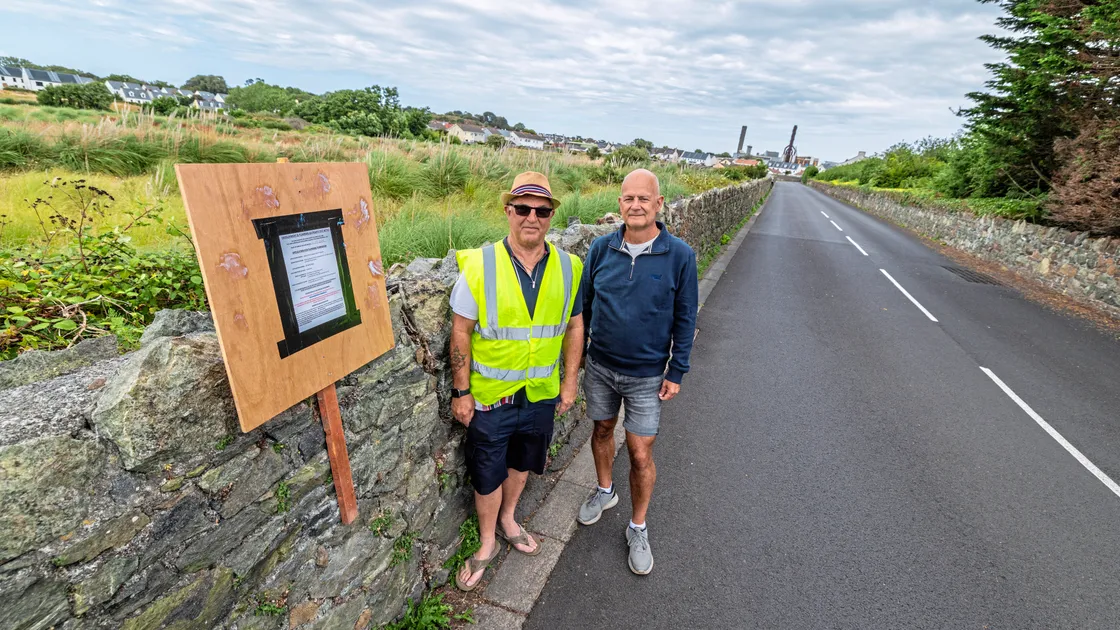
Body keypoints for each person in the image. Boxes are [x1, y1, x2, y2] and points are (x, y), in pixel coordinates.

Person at [449, 171, 585, 591]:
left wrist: (570, 382)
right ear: (508, 211)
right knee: (488, 471)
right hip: (490, 396)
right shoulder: (480, 264)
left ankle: (509, 521)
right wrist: (461, 390)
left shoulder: (568, 266)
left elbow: (575, 326)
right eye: (523, 208)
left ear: (550, 216)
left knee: (522, 463)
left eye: (542, 211)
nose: (532, 217)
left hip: (541, 394)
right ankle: (487, 542)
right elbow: (460, 330)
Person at [576, 168, 698, 575]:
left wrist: (676, 370)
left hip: (647, 375)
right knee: (602, 431)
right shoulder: (600, 249)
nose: (635, 205)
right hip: (601, 367)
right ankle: (605, 490)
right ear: (619, 204)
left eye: (644, 198)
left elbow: (685, 317)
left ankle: (638, 526)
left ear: (658, 204)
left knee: (641, 452)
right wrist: (580, 358)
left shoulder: (679, 255)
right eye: (628, 198)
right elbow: (585, 306)